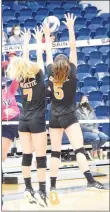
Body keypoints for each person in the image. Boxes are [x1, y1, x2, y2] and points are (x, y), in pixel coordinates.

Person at [43, 13, 107, 204]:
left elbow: (47, 52)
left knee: (55, 152)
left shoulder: (50, 73)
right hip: (70, 116)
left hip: (54, 116)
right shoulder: (73, 74)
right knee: (79, 149)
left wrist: (47, 35)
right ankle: (90, 180)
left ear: (55, 66)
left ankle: (52, 185)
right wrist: (71, 28)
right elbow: (73, 48)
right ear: (68, 66)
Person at [7, 28, 48, 207]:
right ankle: (42, 191)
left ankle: (27, 188)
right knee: (40, 157)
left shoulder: (21, 76)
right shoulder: (38, 74)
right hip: (37, 120)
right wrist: (38, 40)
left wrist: (26, 41)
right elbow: (38, 56)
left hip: (23, 120)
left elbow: (24, 59)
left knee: (26, 156)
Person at [76, 95, 109, 159]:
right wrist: (92, 130)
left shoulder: (92, 111)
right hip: (85, 131)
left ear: (88, 102)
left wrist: (95, 128)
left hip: (94, 130)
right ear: (80, 102)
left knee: (105, 137)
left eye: (86, 100)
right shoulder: (78, 112)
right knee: (96, 138)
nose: (85, 101)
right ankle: (95, 151)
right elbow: (80, 126)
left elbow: (96, 121)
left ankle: (94, 149)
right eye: (83, 100)